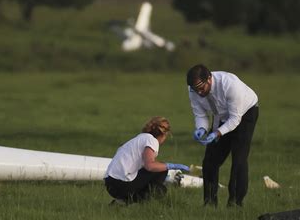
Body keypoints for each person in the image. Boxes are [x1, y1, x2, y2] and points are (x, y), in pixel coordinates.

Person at [186, 64, 259, 207]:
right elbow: (200, 114)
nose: (199, 93)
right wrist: (201, 128)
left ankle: (235, 202)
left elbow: (235, 119)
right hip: (221, 116)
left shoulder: (230, 85)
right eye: (195, 90)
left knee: (239, 159)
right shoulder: (193, 90)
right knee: (210, 161)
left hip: (245, 114)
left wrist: (217, 133)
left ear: (209, 79)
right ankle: (209, 202)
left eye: (201, 89)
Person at [104, 116, 190, 205]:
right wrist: (171, 166)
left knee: (158, 172)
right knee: (160, 183)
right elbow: (150, 166)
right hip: (121, 184)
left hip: (110, 183)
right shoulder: (151, 140)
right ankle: (140, 200)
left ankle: (122, 202)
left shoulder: (139, 138)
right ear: (164, 134)